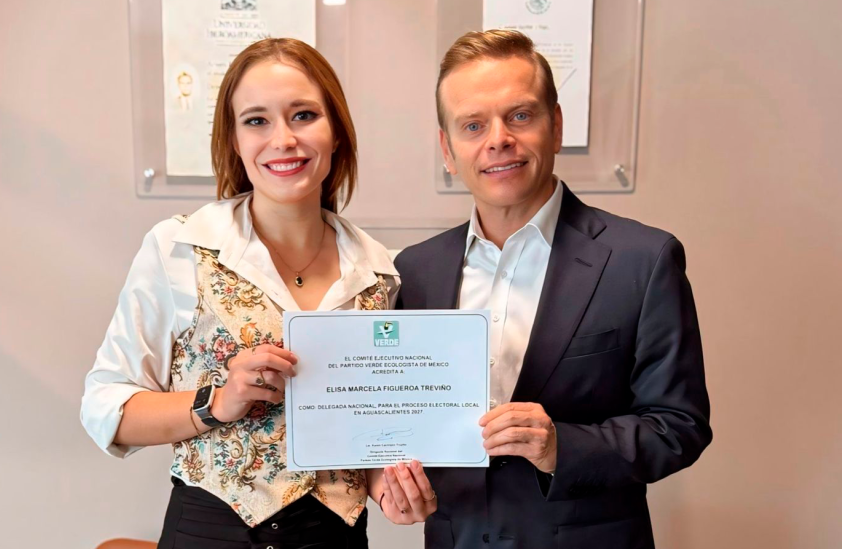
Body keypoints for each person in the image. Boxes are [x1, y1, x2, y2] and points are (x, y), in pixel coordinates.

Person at [81, 38, 434, 549]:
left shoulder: (381, 274)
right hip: (210, 535)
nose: (283, 139)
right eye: (257, 120)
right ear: (234, 141)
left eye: (304, 115)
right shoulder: (179, 249)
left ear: (336, 131)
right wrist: (217, 402)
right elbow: (106, 409)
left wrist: (388, 489)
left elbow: (369, 431)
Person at [393, 30, 712, 548]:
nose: (498, 139)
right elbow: (403, 417)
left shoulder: (643, 259)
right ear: (448, 150)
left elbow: (680, 426)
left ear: (556, 126)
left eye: (520, 116)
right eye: (473, 125)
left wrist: (562, 446)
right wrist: (391, 482)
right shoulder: (414, 270)